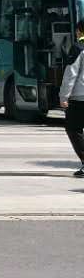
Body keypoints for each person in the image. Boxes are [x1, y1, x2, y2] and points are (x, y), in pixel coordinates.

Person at [60, 28, 84, 178]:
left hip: (80, 97)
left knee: (73, 128)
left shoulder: (78, 48)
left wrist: (64, 96)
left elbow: (71, 73)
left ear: (79, 31)